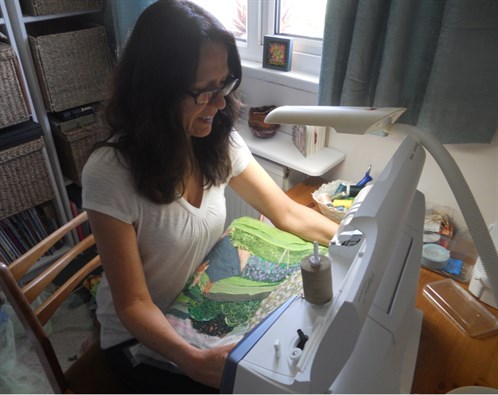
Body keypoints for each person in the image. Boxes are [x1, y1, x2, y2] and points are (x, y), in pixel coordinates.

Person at [82, 0, 337, 392]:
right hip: (142, 340)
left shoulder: (215, 139)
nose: (219, 105)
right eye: (203, 92)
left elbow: (287, 212)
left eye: (224, 85)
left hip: (198, 300)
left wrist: (351, 241)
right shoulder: (110, 173)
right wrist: (195, 362)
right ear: (154, 91)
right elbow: (132, 304)